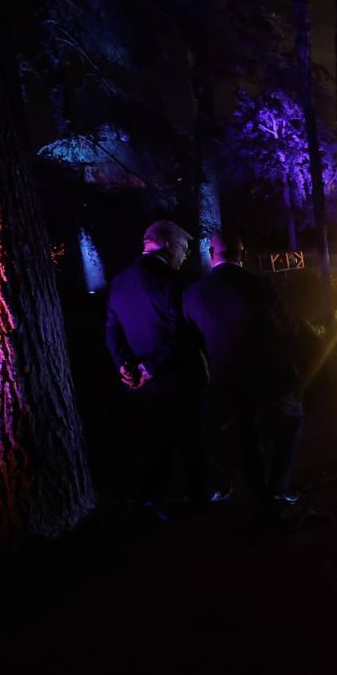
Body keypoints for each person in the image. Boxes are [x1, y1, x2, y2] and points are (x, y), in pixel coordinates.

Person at [183, 229, 305, 515]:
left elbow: (193, 340)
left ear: (211, 255)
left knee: (245, 431)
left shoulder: (193, 293)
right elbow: (286, 327)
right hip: (270, 372)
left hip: (226, 375)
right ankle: (278, 486)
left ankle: (257, 490)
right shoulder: (261, 285)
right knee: (292, 419)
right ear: (243, 253)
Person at [105, 219, 212, 521]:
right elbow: (182, 333)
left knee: (156, 440)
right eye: (184, 248)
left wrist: (125, 366)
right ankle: (201, 499)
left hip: (144, 382)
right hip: (180, 375)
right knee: (193, 439)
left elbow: (112, 329)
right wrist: (152, 367)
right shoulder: (174, 282)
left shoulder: (120, 281)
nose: (185, 255)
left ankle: (150, 500)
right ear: (169, 245)